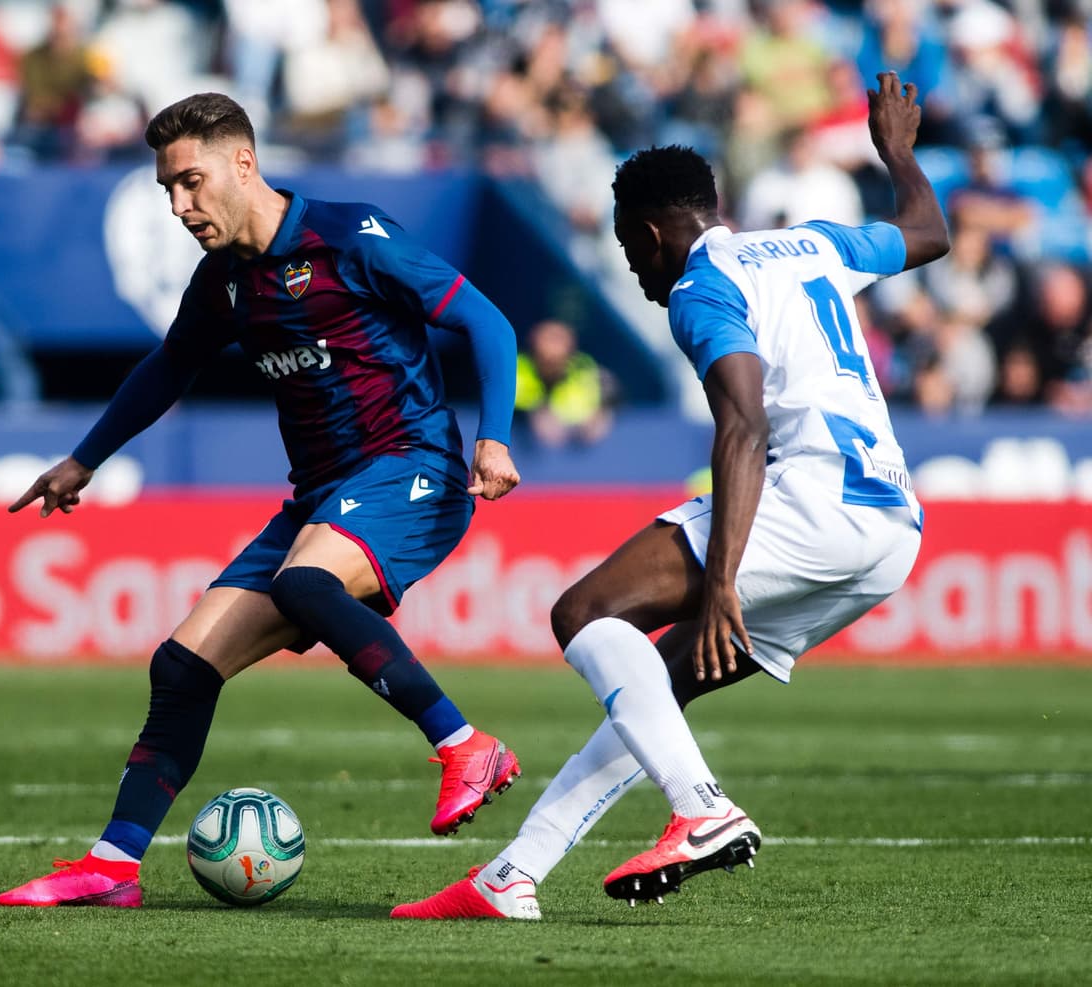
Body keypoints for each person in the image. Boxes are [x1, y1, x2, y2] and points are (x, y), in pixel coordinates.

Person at [392, 70, 949, 920]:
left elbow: (743, 426)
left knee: (584, 612)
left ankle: (702, 808)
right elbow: (928, 232)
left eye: (629, 251)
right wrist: (899, 154)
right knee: (655, 685)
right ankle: (512, 875)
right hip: (891, 530)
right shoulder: (812, 245)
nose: (636, 271)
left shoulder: (700, 286)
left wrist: (720, 581)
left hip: (813, 496)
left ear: (652, 234)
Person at [0, 92, 523, 908]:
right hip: (320, 497)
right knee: (182, 664)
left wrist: (494, 437)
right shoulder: (225, 282)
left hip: (411, 468)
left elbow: (487, 321)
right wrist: (83, 460)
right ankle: (112, 867)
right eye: (168, 189)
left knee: (305, 583)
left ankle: (465, 744)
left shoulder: (350, 237)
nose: (180, 206)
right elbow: (170, 367)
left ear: (243, 164)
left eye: (192, 182)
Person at [515, 319, 617, 448]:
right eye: (548, 338)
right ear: (533, 341)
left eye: (558, 339)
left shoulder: (587, 373)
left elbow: (601, 416)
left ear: (571, 345)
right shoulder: (513, 368)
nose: (552, 348)